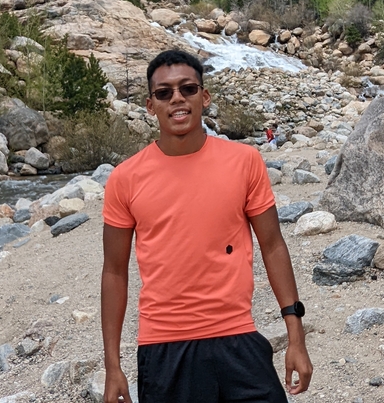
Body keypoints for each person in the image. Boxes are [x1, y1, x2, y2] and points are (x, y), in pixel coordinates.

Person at [101, 49, 312, 403]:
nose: (177, 99)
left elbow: (273, 245)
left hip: (238, 337)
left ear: (205, 96)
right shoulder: (125, 179)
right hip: (164, 348)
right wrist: (112, 366)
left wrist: (296, 336)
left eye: (188, 88)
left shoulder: (244, 162)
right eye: (164, 93)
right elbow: (114, 272)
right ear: (151, 105)